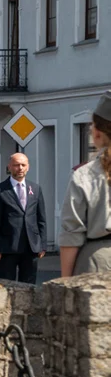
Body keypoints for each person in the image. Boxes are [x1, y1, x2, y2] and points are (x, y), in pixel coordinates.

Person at [61, 91, 111, 277]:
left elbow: (71, 234)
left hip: (99, 263)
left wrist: (64, 285)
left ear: (97, 133)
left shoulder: (85, 175)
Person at [0, 152, 47, 284]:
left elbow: (41, 218)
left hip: (31, 247)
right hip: (8, 247)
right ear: (9, 167)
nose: (20, 168)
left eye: (23, 165)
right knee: (7, 285)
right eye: (16, 165)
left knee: (29, 285)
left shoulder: (35, 189)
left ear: (28, 167)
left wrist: (42, 245)